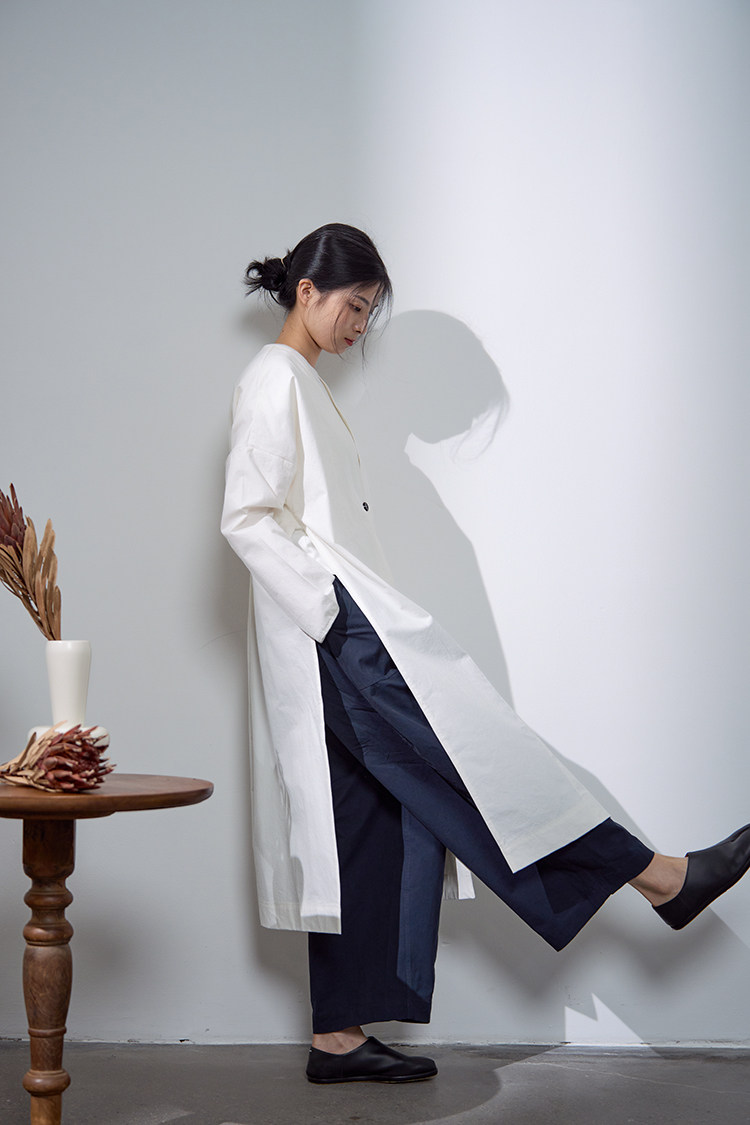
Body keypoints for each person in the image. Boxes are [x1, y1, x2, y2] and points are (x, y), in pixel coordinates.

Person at [221, 222, 750, 1085]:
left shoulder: (302, 382)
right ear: (307, 291)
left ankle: (337, 1037)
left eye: (370, 311)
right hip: (334, 633)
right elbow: (246, 515)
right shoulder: (275, 377)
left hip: (340, 628)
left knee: (373, 817)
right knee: (473, 764)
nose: (360, 325)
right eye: (354, 305)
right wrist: (328, 610)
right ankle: (660, 877)